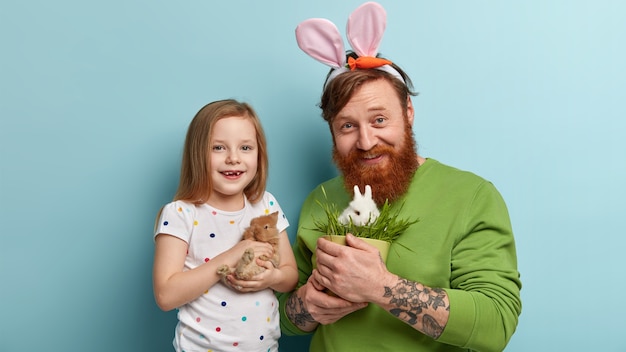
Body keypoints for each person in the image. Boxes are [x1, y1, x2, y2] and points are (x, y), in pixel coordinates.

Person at [278, 2, 522, 351]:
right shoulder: (321, 199)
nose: (366, 141)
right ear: (332, 131)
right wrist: (307, 305)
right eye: (347, 126)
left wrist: (380, 286)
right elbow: (282, 319)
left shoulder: (471, 196)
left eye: (379, 120)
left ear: (408, 112)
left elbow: (496, 324)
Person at [153, 99, 298, 352]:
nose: (233, 158)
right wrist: (232, 255)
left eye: (245, 147)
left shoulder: (266, 204)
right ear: (198, 153)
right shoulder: (180, 214)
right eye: (218, 148)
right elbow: (166, 296)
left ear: (259, 154)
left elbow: (290, 276)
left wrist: (271, 277)